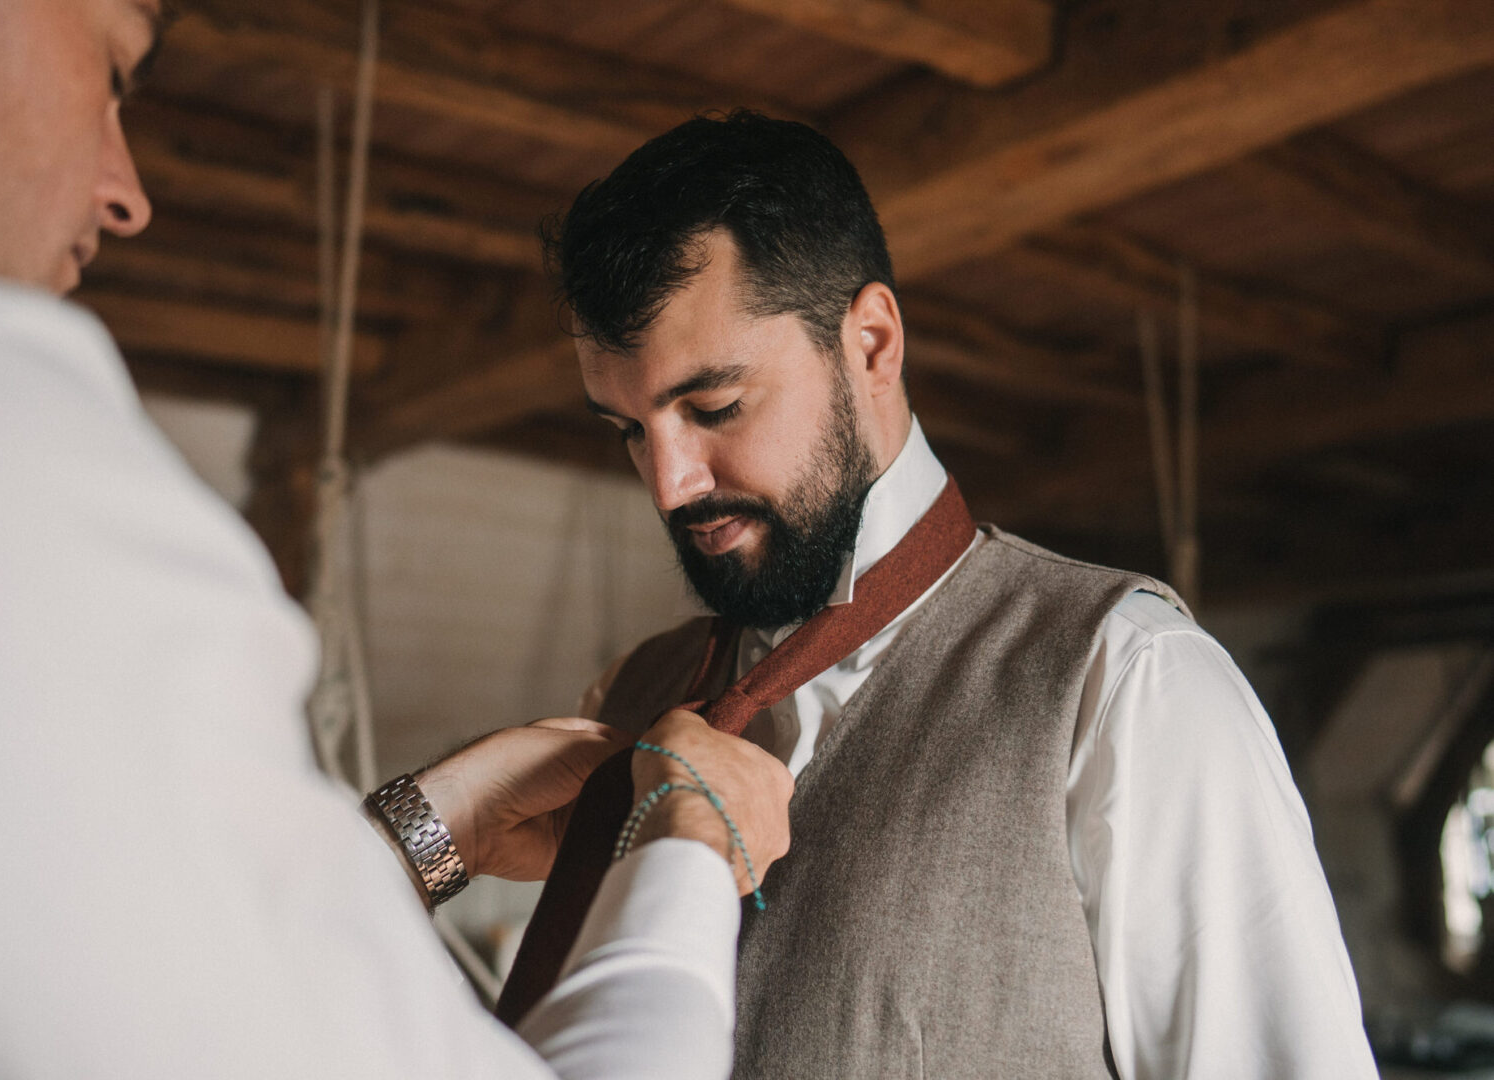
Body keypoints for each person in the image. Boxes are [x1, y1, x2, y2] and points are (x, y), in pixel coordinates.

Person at [0, 3, 794, 1079]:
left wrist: (427, 824)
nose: (123, 194)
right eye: (114, 70)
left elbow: (103, 934)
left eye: (716, 405)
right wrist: (691, 848)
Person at [519, 111, 1380, 1079]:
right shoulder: (630, 699)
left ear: (873, 343)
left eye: (713, 407)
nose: (668, 482)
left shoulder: (1129, 687)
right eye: (626, 430)